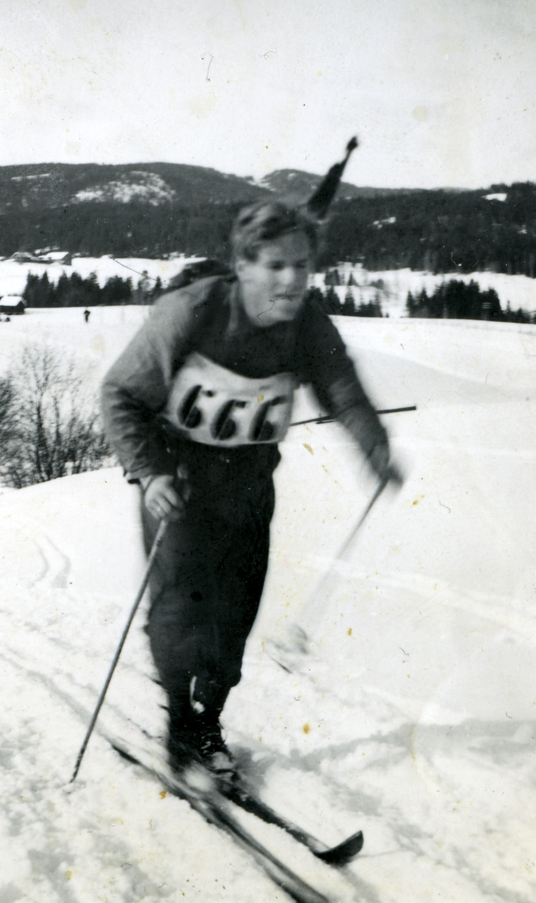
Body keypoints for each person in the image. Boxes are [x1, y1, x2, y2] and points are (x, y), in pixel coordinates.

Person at [101, 199, 401, 782]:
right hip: (179, 482)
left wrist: (373, 444)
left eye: (302, 266)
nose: (291, 281)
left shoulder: (308, 323)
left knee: (233, 619)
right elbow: (120, 393)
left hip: (248, 485)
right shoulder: (190, 311)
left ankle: (208, 720)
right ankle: (180, 725)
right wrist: (151, 472)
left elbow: (341, 387)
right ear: (243, 265)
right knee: (178, 611)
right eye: (276, 266)